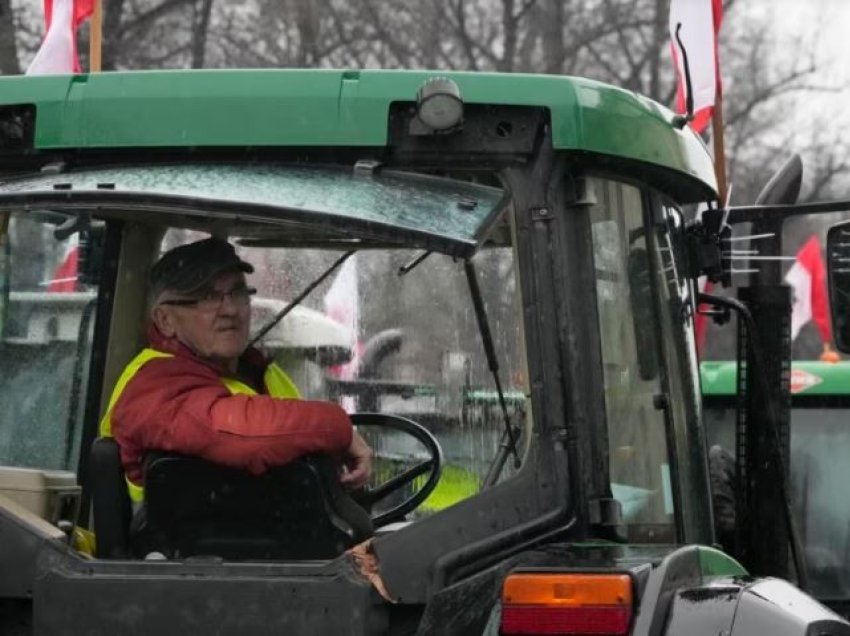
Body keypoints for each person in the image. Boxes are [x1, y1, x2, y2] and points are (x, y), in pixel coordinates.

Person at [99, 237, 372, 505]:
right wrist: (337, 427)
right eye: (207, 297)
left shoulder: (263, 372)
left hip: (280, 541)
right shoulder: (152, 383)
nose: (230, 309)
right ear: (166, 320)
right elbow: (242, 437)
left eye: (238, 292)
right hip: (176, 549)